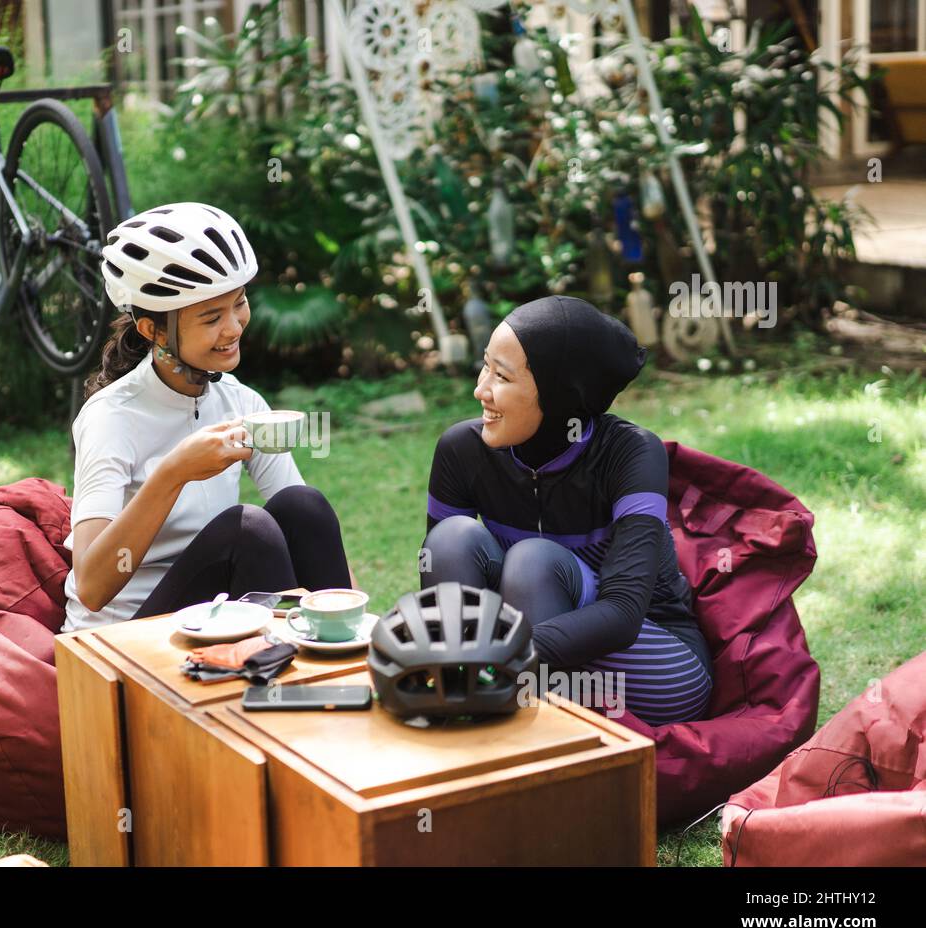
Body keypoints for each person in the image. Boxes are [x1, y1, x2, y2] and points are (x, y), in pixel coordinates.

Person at [61, 202, 353, 633]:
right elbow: (91, 585)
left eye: (239, 304)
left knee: (302, 505)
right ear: (153, 331)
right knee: (245, 530)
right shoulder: (111, 418)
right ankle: (289, 678)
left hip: (209, 613)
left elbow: (307, 532)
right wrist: (175, 472)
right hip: (121, 639)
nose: (234, 327)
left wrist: (343, 601)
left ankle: (349, 646)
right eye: (211, 317)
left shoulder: (242, 403)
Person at [421, 295, 713, 726]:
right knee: (451, 539)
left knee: (534, 560)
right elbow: (446, 586)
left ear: (559, 395)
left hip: (652, 665)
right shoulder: (462, 451)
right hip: (526, 662)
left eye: (501, 376)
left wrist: (500, 655)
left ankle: (532, 739)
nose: (480, 389)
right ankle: (470, 719)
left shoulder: (630, 453)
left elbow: (623, 615)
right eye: (485, 366)